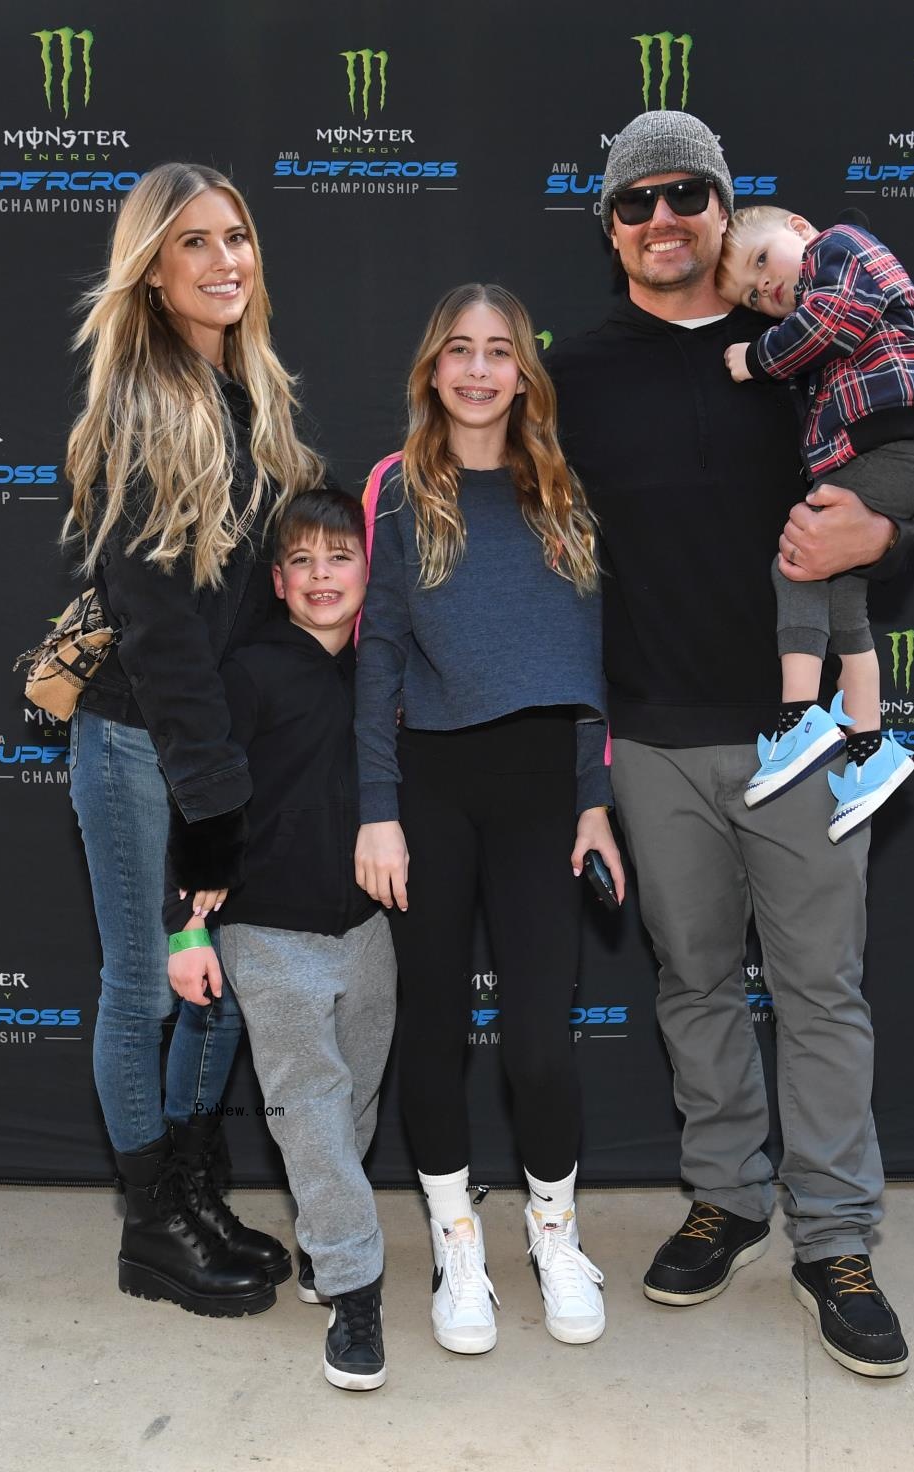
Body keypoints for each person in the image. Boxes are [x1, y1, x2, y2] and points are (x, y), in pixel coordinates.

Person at [546, 111, 914, 1378]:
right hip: (653, 737)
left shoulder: (799, 342)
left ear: (727, 209)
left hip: (806, 738)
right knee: (694, 984)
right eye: (636, 202)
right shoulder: (578, 372)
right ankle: (728, 1196)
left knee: (823, 989)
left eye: (686, 196)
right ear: (610, 228)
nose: (663, 220)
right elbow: (540, 558)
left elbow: (900, 458)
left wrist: (884, 536)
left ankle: (836, 1240)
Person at [62, 161, 326, 1319]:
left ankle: (195, 1186)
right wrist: (215, 788)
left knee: (210, 987)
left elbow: (253, 600)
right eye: (195, 245)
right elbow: (161, 626)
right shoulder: (138, 408)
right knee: (147, 988)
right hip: (140, 749)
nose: (227, 261)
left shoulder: (252, 392)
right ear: (153, 271)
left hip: (218, 747)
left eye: (239, 238)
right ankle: (149, 1224)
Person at [354, 283, 625, 1354]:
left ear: (524, 371)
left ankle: (555, 1234)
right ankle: (456, 1240)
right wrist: (377, 810)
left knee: (541, 1046)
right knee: (431, 1026)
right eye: (458, 350)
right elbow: (377, 655)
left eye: (499, 351)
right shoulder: (395, 488)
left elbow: (587, 665)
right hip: (428, 781)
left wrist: (594, 800)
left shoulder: (561, 489)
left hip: (540, 788)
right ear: (431, 369)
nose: (477, 369)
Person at [169, 488, 396, 1390]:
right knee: (309, 1109)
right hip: (267, 932)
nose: (319, 576)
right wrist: (189, 929)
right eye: (300, 562)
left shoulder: (386, 668)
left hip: (371, 930)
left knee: (355, 1107)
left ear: (368, 569)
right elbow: (203, 798)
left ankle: (324, 1239)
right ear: (277, 580)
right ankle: (355, 1285)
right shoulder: (252, 671)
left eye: (337, 557)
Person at [716, 205, 914, 839]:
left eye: (763, 261)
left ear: (797, 227)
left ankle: (801, 719)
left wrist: (756, 356)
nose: (766, 289)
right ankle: (871, 749)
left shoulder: (838, 250)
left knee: (796, 559)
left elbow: (828, 324)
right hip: (896, 451)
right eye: (752, 294)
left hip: (893, 447)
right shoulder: (826, 283)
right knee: (842, 593)